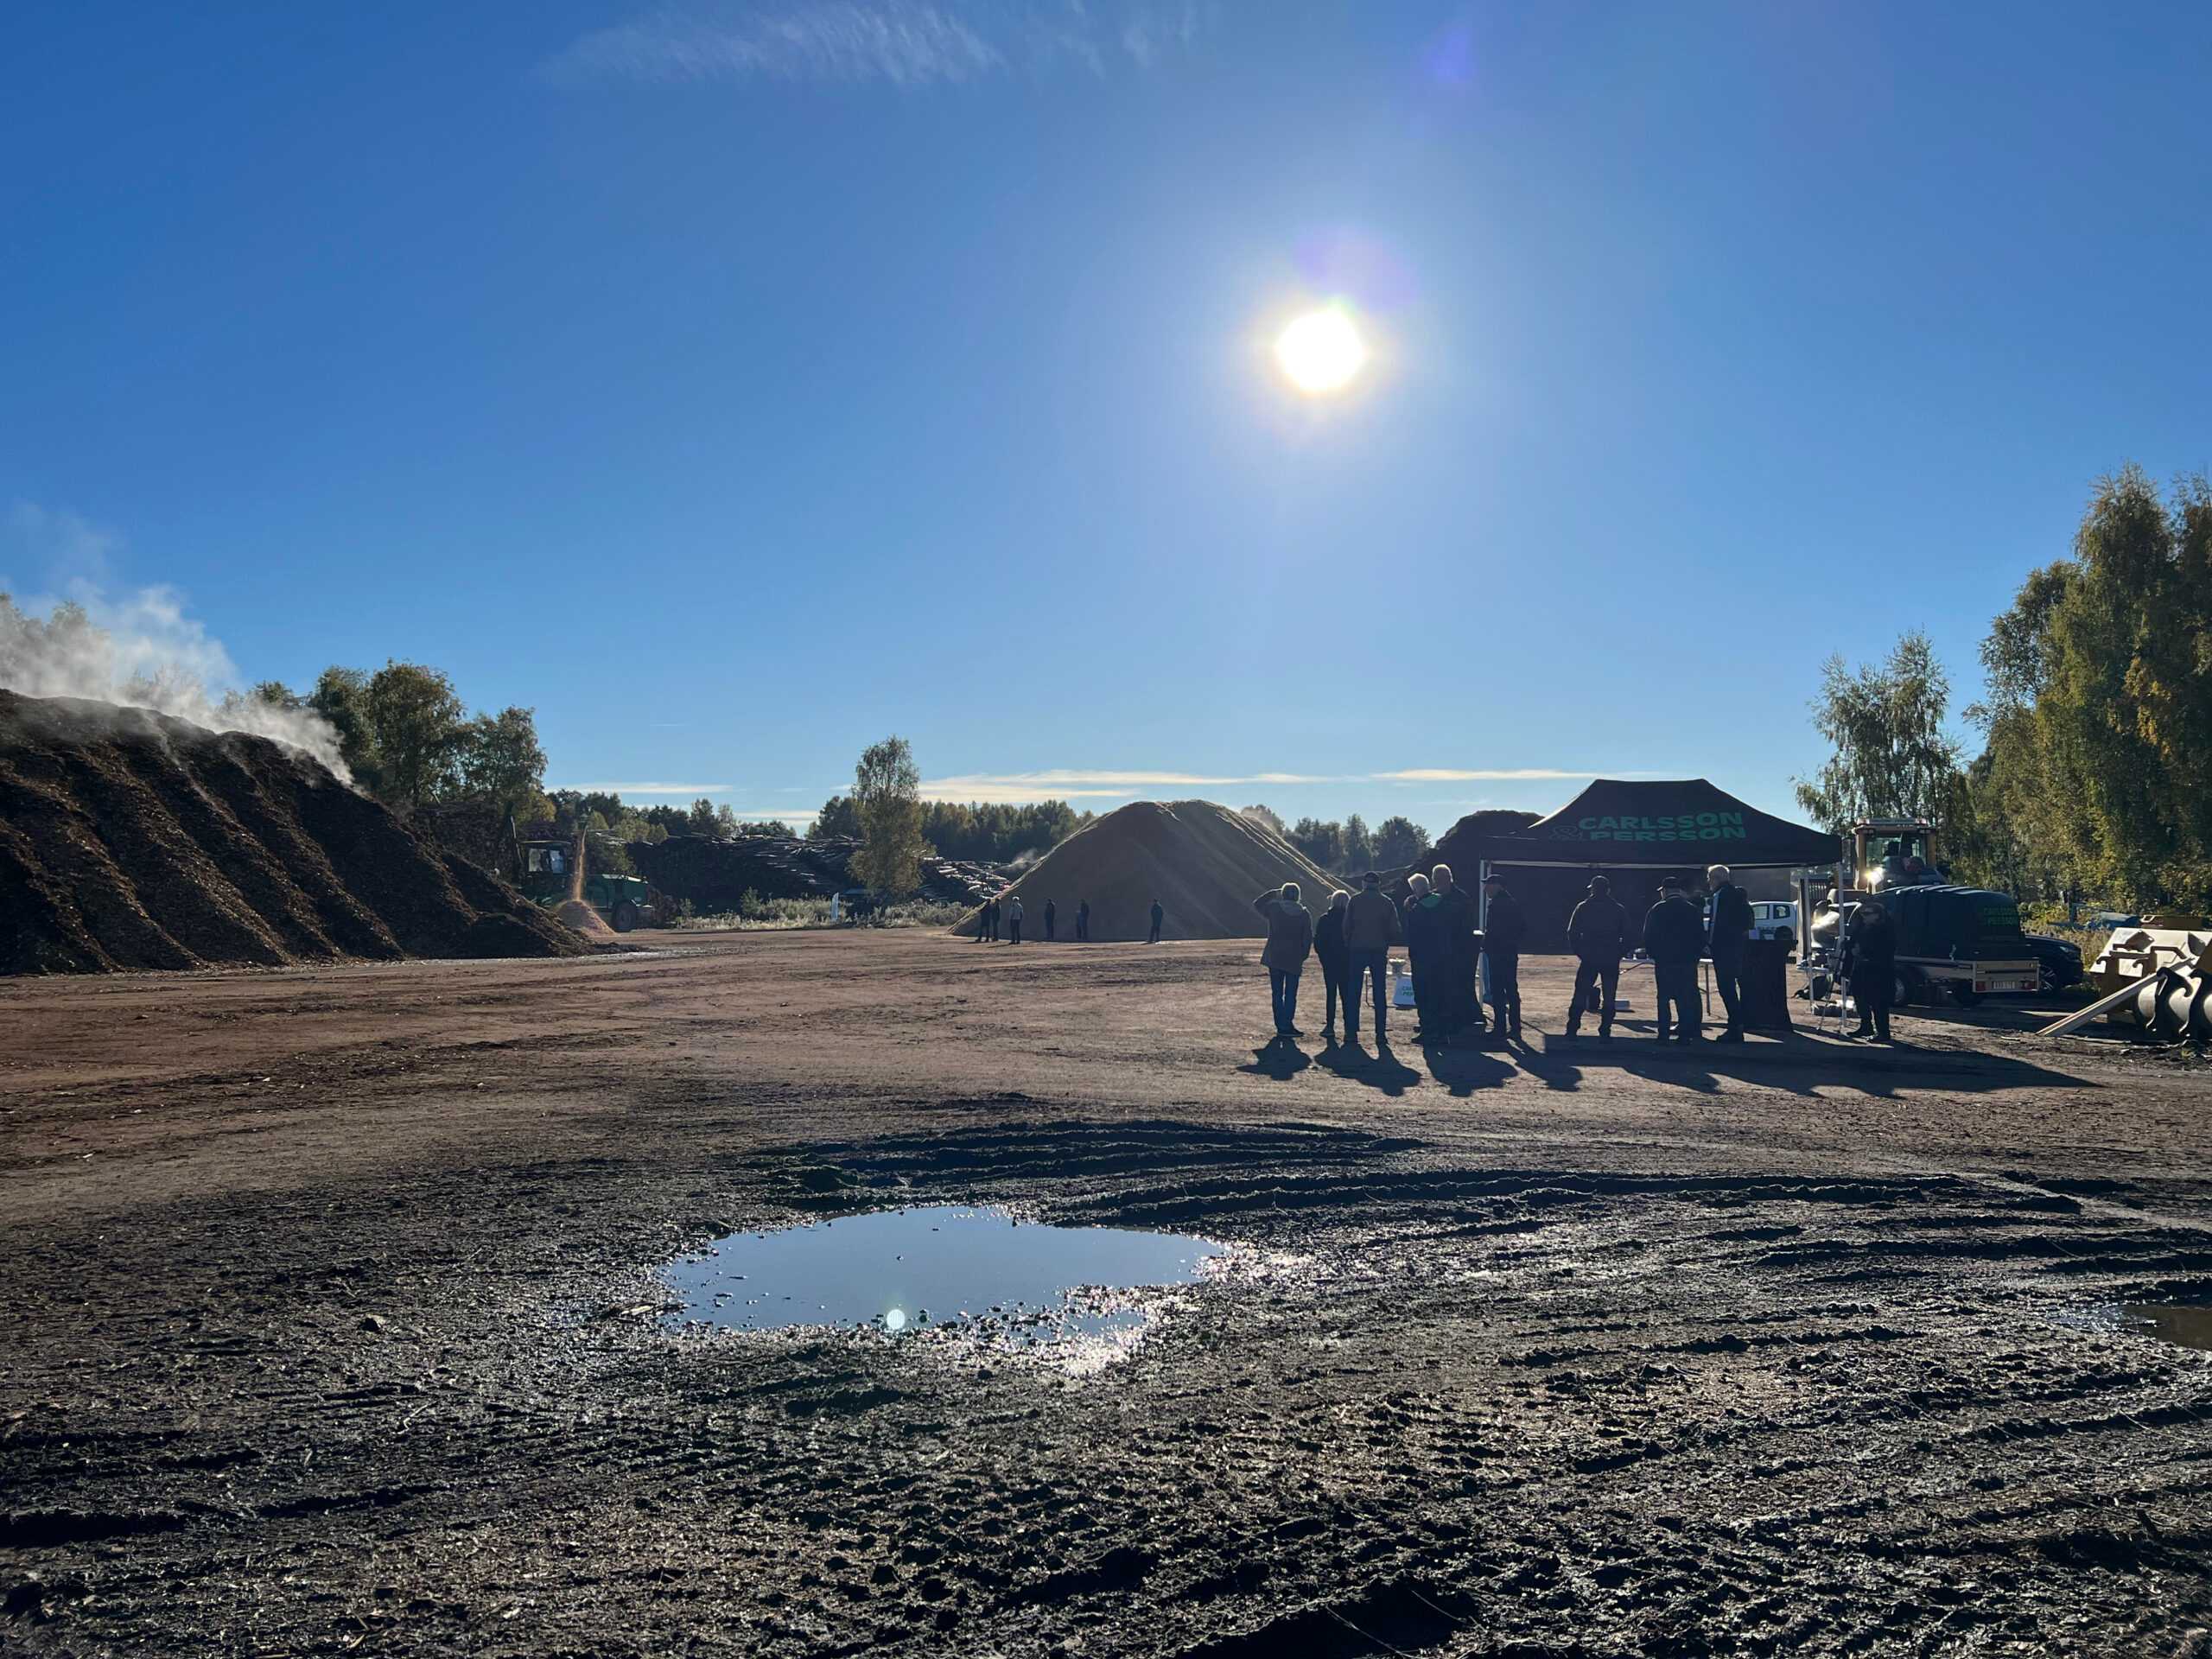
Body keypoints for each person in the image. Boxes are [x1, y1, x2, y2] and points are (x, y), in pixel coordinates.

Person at [1642, 874, 1705, 1043]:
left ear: (1665, 891)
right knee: (1685, 998)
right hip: (1687, 962)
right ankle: (1684, 1034)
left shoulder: (1657, 909)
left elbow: (1648, 936)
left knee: (1663, 998)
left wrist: (1654, 955)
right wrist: (1694, 957)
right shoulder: (1692, 910)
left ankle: (1663, 1033)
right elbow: (1701, 937)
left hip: (1665, 962)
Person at [1563, 875, 1627, 1040]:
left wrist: (1580, 952)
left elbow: (1572, 932)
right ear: (1608, 890)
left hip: (1589, 957)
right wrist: (1619, 952)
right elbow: (1628, 934)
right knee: (1609, 995)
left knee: (1580, 993)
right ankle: (1605, 1030)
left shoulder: (1583, 907)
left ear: (1592, 889)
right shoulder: (1618, 909)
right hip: (1611, 957)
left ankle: (1572, 1028)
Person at [1342, 870, 1401, 1044]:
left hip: (1357, 950)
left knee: (1353, 992)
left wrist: (1349, 944)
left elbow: (1346, 927)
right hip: (1378, 951)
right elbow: (1395, 929)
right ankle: (1380, 1034)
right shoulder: (1387, 902)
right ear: (1379, 884)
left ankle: (1351, 1032)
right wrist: (1385, 941)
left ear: (1364, 884)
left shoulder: (1354, 901)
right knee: (1379, 992)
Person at [1252, 883, 1313, 1039]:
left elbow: (1257, 904)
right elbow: (1307, 939)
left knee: (1277, 993)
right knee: (1291, 994)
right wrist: (1302, 956)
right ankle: (1288, 1024)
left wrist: (1272, 893)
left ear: (1284, 894)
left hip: (1275, 956)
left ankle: (1280, 1025)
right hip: (1294, 958)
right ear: (1298, 896)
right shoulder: (1304, 914)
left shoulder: (1274, 909)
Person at [1428, 864, 1482, 1039]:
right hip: (1442, 951)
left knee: (1456, 988)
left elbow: (1466, 926)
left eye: (1438, 879)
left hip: (1457, 952)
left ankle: (1457, 1022)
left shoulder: (1458, 898)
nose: (1436, 882)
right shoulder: (1441, 896)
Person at [1706, 862, 1752, 1043]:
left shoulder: (1721, 895)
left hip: (1724, 948)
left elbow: (1716, 922)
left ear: (1717, 879)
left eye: (1710, 878)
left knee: (1726, 989)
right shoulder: (1737, 895)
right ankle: (1737, 1025)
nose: (1708, 882)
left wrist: (1710, 942)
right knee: (1732, 987)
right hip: (1737, 947)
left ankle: (1735, 1027)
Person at [1843, 899, 1897, 1040]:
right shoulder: (1862, 928)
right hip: (1861, 968)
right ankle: (1866, 1026)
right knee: (1860, 997)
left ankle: (1883, 1032)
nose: (1864, 916)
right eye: (1862, 913)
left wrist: (1864, 953)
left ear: (1878, 915)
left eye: (1868, 913)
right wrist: (1849, 947)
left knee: (1878, 1001)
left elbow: (1886, 950)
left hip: (1878, 970)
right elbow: (1854, 943)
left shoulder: (1885, 929)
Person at [1480, 872, 1526, 1039]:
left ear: (1498, 886)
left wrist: (1487, 944)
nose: (1485, 888)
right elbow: (1522, 928)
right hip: (1509, 952)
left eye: (1488, 884)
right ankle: (1515, 1027)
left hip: (1498, 953)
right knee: (1512, 990)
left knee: (1498, 991)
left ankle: (1500, 1027)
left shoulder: (1497, 904)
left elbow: (1493, 930)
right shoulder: (1512, 903)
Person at [1401, 873, 1446, 1040]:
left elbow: (1412, 933)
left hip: (1423, 957)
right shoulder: (1442, 902)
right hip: (1441, 955)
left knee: (1423, 993)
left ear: (1416, 889)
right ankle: (1441, 1030)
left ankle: (1427, 1029)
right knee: (1438, 993)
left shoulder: (1419, 909)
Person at [1312, 890, 1351, 1041]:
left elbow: (1318, 942)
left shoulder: (1325, 919)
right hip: (1347, 963)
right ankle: (1349, 1028)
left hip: (1330, 963)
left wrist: (1324, 959)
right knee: (1347, 995)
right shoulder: (1350, 919)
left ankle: (1330, 1026)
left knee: (1331, 995)